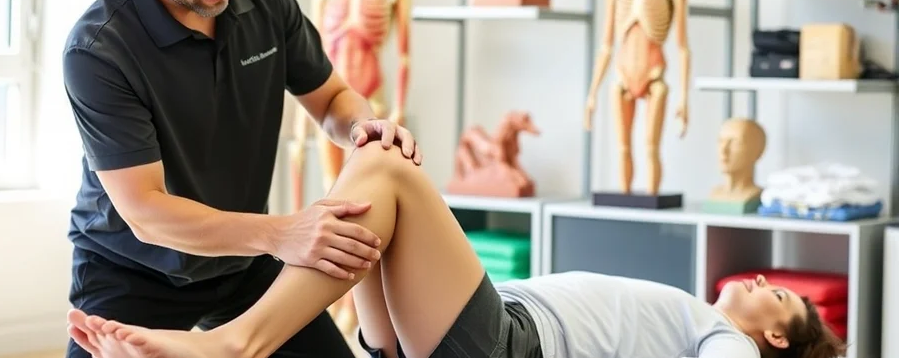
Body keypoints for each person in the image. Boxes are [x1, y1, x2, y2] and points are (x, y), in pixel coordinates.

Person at [66, 143, 848, 358]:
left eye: (778, 294)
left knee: (383, 171)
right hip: (469, 334)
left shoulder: (722, 340)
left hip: (507, 343)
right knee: (366, 196)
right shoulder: (688, 314)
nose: (758, 278)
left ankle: (239, 342)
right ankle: (232, 341)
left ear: (773, 335)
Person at [59, 0, 422, 357]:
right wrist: (284, 234)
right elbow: (145, 212)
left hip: (245, 262)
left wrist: (365, 126)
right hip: (133, 268)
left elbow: (331, 100)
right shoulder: (98, 49)